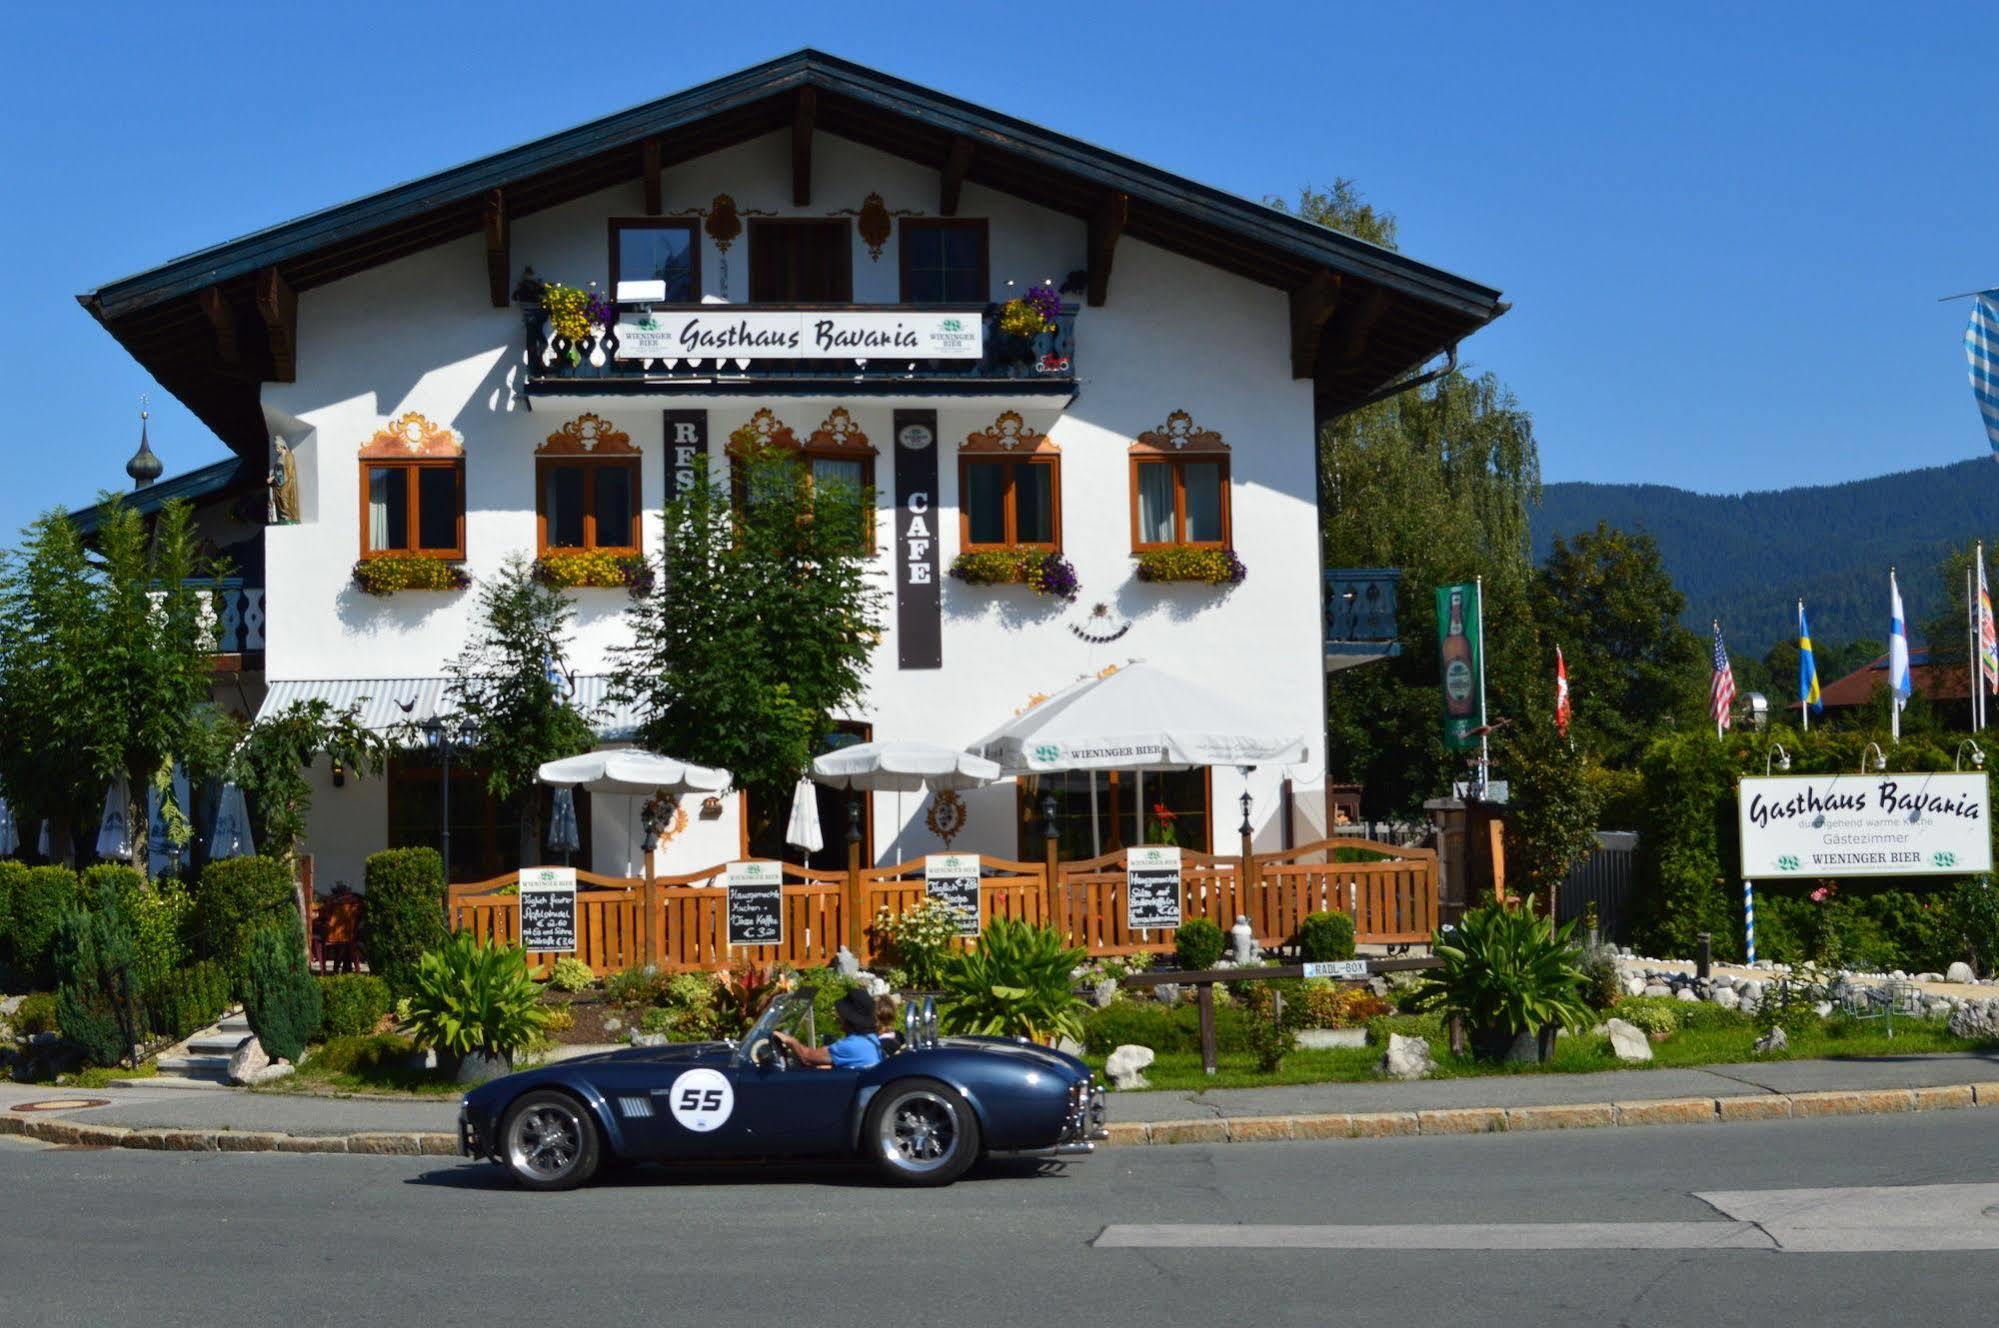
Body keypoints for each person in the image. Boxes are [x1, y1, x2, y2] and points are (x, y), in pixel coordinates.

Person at [776, 988, 881, 1070]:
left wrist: (790, 1040)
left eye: (841, 1014)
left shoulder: (850, 1046)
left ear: (849, 1019)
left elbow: (807, 1057)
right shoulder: (871, 1039)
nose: (837, 1016)